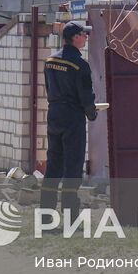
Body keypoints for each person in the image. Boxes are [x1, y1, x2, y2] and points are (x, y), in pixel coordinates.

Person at [40, 22, 98, 216]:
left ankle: (46, 216)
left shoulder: (50, 61)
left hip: (54, 115)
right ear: (75, 37)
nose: (86, 37)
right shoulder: (80, 65)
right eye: (84, 34)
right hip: (73, 119)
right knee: (72, 167)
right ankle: (70, 215)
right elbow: (85, 95)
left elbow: (49, 88)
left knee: (53, 165)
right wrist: (91, 113)